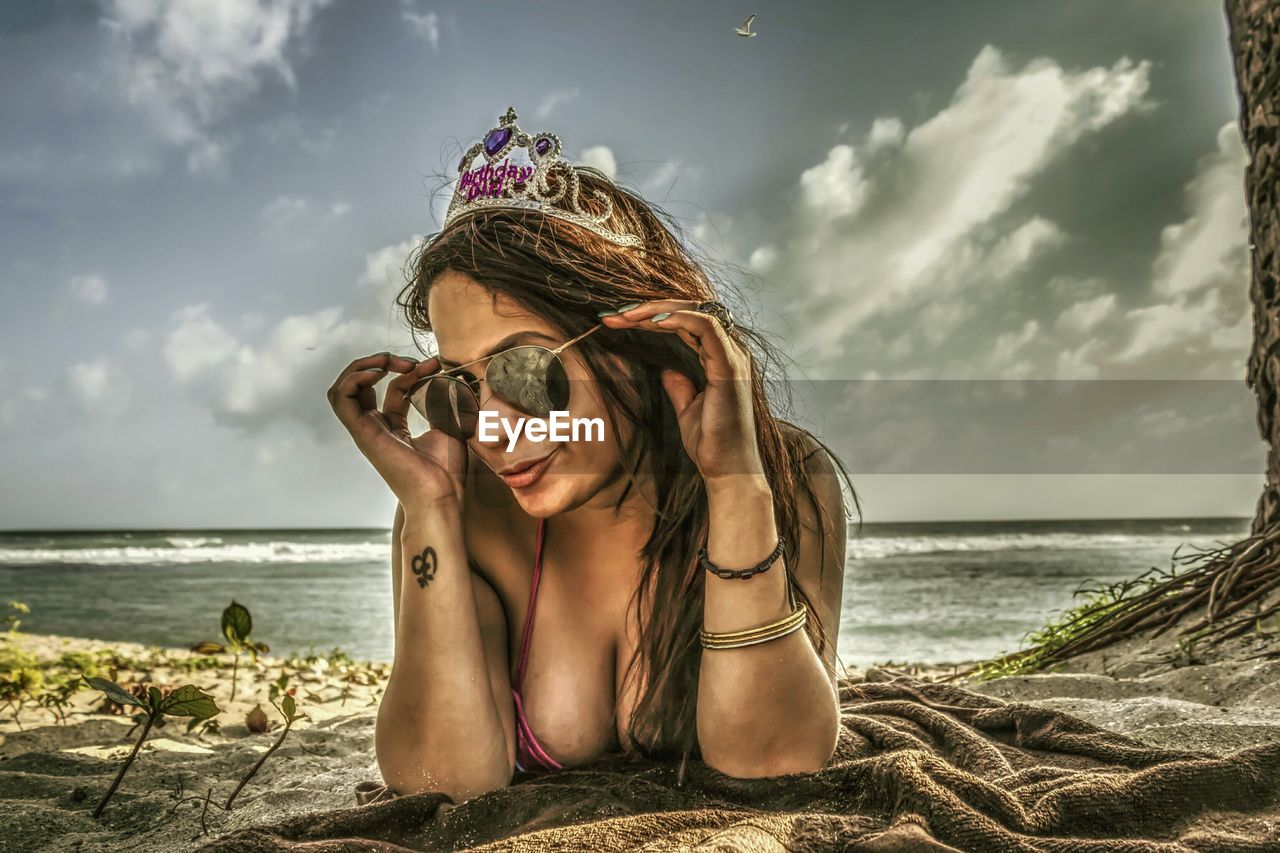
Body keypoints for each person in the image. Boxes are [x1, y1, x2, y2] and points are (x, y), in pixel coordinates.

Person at [327, 107, 859, 803]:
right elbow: (441, 781)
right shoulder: (456, 507)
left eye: (522, 370)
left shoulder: (788, 476)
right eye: (460, 385)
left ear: (636, 340)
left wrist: (736, 491)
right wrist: (427, 513)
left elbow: (777, 758)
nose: (489, 429)